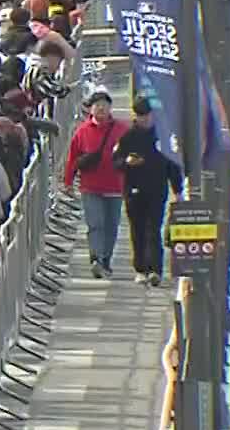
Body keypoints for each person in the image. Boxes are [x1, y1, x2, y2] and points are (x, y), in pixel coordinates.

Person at [112, 96, 184, 286]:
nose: (144, 120)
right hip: (133, 189)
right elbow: (116, 161)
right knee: (137, 229)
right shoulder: (128, 137)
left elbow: (172, 164)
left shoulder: (162, 136)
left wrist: (178, 189)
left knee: (154, 229)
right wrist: (126, 163)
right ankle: (140, 268)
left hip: (157, 189)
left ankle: (155, 269)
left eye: (147, 116)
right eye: (140, 116)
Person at [63, 90, 128, 279]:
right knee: (95, 224)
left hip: (115, 186)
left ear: (110, 108)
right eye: (96, 105)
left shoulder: (122, 130)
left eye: (104, 105)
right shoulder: (83, 131)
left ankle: (106, 259)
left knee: (111, 225)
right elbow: (73, 158)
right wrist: (68, 181)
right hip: (90, 187)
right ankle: (96, 259)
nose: (100, 108)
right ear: (90, 109)